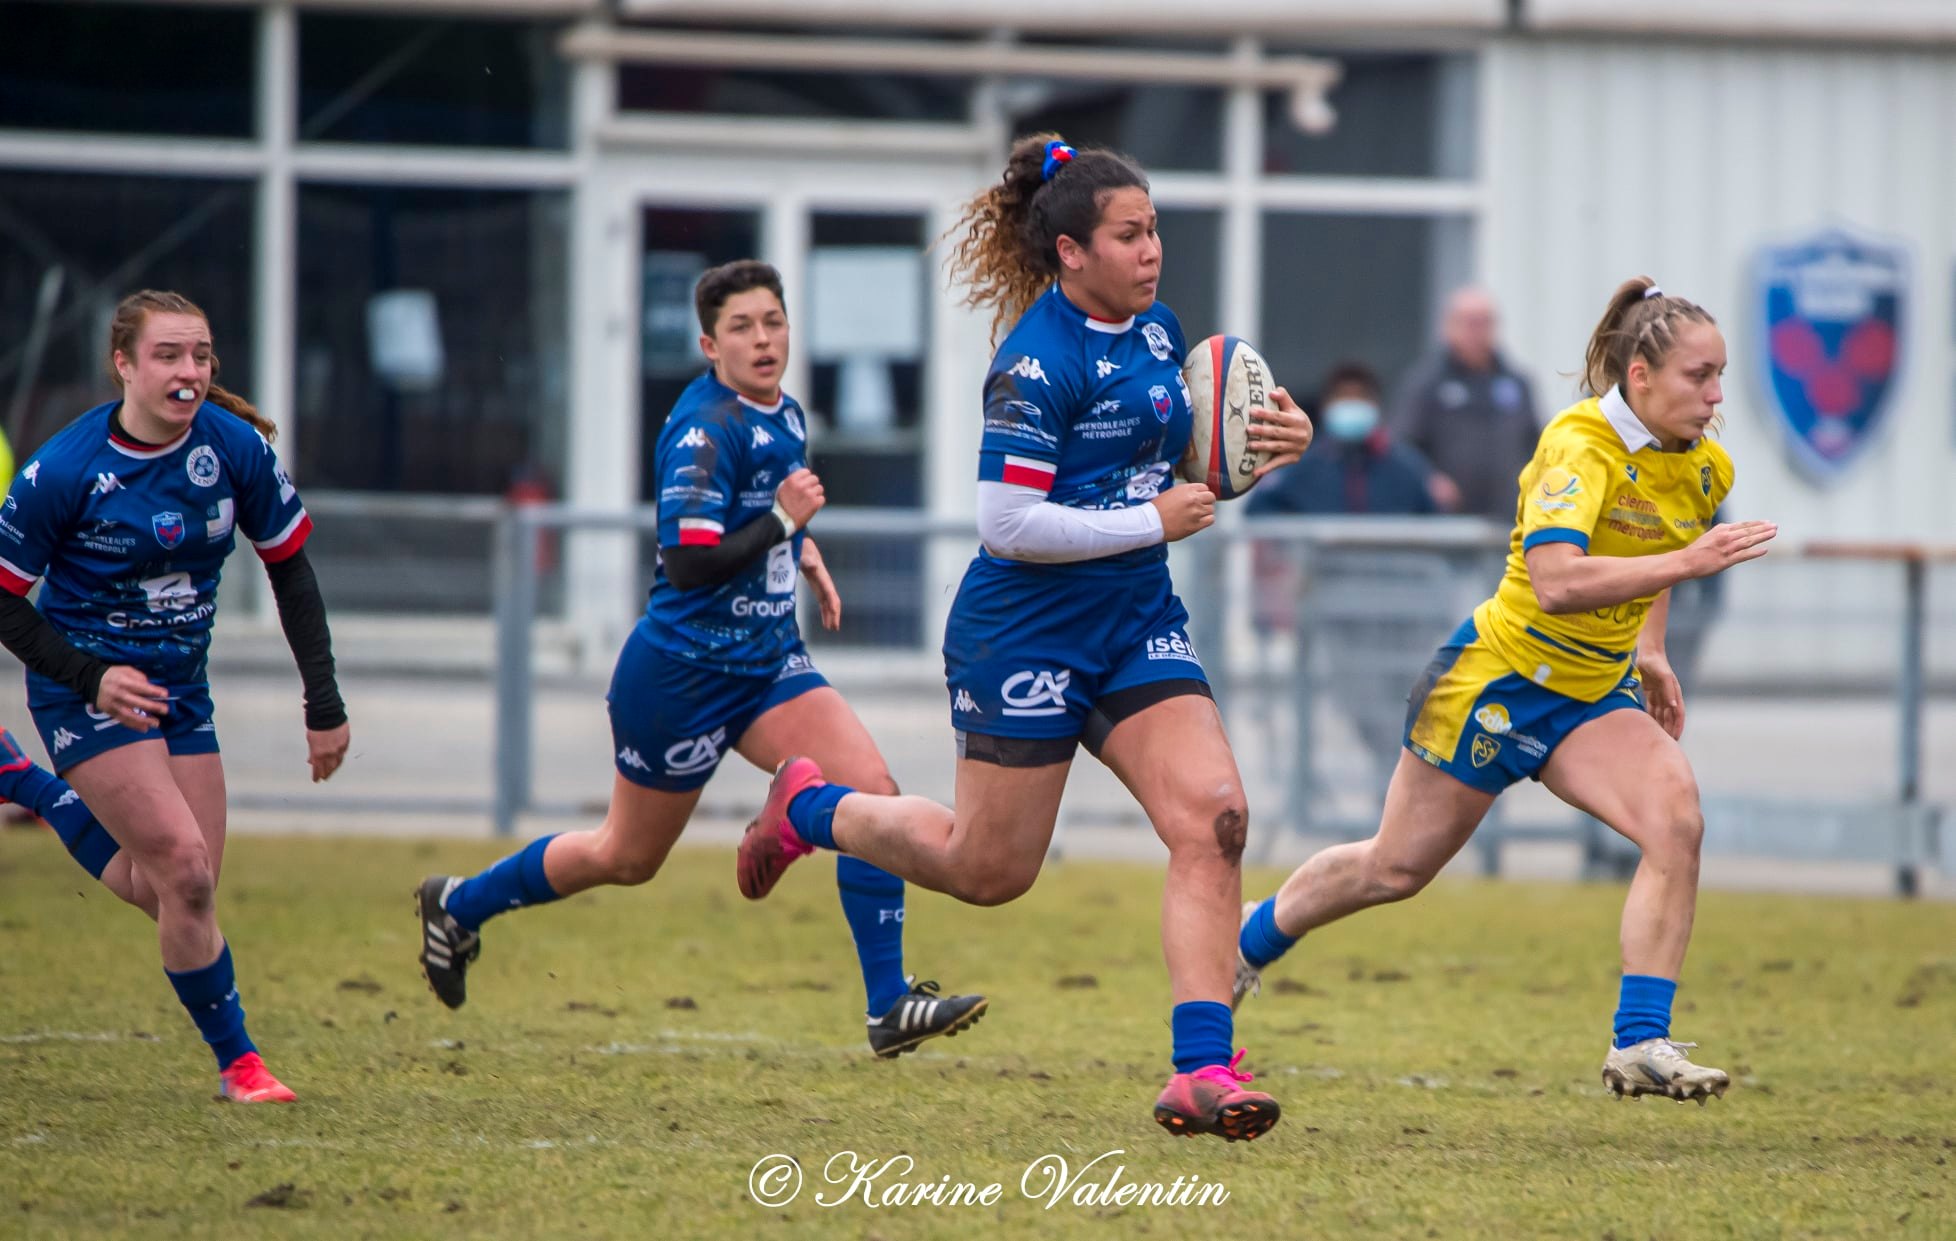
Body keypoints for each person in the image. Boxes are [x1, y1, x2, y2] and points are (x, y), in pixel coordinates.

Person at [735, 135, 1315, 1141]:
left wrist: (1267, 445)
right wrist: (1151, 523)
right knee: (988, 871)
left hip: (1134, 621)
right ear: (1072, 253)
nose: (1152, 250)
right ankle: (811, 807)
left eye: (1155, 230)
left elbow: (1176, 465)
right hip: (1025, 631)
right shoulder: (1034, 363)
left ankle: (1201, 1068)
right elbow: (1008, 524)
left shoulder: (1158, 332)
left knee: (1216, 817)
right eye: (1129, 235)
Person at [415, 260, 985, 1058]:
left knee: (873, 794)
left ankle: (887, 1003)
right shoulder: (703, 431)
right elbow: (688, 562)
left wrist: (802, 548)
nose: (763, 339)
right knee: (625, 856)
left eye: (773, 322)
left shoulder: (786, 412)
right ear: (710, 346)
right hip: (681, 676)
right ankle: (459, 904)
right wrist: (784, 523)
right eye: (741, 328)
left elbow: (763, 512)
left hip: (767, 664)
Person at [1234, 277, 1777, 1104]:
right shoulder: (1576, 445)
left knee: (1676, 819)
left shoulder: (1703, 466)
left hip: (1591, 695)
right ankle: (1248, 939)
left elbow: (1658, 549)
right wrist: (1686, 562)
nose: (1716, 396)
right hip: (1497, 679)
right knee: (1394, 867)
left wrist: (1651, 649)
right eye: (1699, 376)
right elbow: (1556, 581)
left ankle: (1640, 1040)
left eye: (1720, 376)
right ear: (1639, 377)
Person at [0, 289, 349, 1103]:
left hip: (181, 689)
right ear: (123, 364)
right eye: (167, 355)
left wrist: (324, 702)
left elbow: (291, 571)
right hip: (85, 691)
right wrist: (91, 676)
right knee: (185, 872)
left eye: (200, 355)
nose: (188, 370)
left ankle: (26, 784)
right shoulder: (65, 469)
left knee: (175, 889)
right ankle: (241, 1065)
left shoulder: (233, 448)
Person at [1389, 287, 1541, 519]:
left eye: (1484, 323)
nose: (1477, 331)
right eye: (1469, 322)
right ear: (1449, 326)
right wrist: (1428, 478)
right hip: (1448, 520)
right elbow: (1402, 444)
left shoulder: (1516, 383)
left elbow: (1534, 442)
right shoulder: (1426, 383)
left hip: (1507, 515)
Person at [1247, 361, 1437, 519]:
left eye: (1360, 396)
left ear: (1376, 404)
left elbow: (1433, 520)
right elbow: (1258, 513)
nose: (1352, 403)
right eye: (1343, 397)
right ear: (1325, 406)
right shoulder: (1300, 464)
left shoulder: (1406, 467)